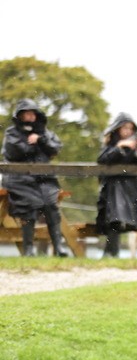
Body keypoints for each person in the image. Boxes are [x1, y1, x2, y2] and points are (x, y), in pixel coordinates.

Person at [2, 99, 70, 257]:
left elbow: (55, 149)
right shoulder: (12, 133)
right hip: (19, 180)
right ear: (20, 115)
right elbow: (13, 152)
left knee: (51, 206)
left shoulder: (45, 133)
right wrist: (31, 145)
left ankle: (58, 247)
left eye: (32, 113)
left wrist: (40, 140)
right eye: (26, 114)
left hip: (44, 179)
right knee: (29, 207)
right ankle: (28, 249)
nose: (30, 117)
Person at [97, 112, 137, 258]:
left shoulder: (136, 144)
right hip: (113, 188)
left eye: (130, 128)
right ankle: (111, 252)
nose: (127, 131)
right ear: (118, 128)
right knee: (114, 219)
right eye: (124, 127)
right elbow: (102, 159)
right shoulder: (111, 143)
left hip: (130, 189)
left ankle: (111, 253)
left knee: (119, 220)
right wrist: (119, 147)